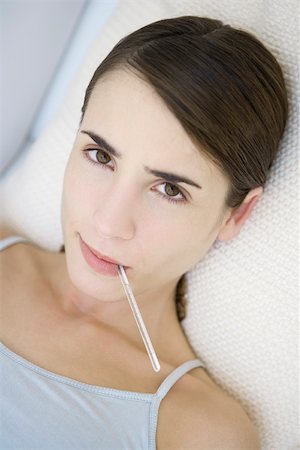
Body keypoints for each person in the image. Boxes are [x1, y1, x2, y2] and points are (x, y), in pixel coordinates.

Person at [0, 15, 287, 449]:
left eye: (169, 189)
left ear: (237, 215)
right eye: (99, 156)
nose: (107, 223)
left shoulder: (197, 430)